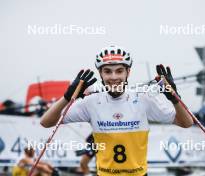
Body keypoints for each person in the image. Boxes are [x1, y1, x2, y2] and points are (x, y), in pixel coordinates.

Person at [40, 45, 193, 176]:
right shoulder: (91, 102)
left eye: (119, 71)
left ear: (128, 73)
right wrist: (67, 97)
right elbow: (46, 122)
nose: (114, 77)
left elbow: (186, 123)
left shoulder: (144, 98)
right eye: (107, 71)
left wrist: (174, 98)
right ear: (100, 74)